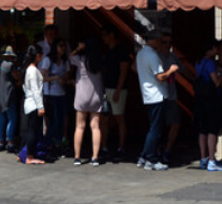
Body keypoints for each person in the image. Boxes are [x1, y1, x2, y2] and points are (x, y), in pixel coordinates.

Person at [136, 31, 176, 171]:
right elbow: (160, 77)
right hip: (157, 95)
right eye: (159, 41)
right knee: (155, 129)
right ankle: (151, 158)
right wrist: (171, 70)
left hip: (148, 94)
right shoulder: (152, 56)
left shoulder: (141, 54)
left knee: (153, 127)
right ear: (152, 41)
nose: (160, 44)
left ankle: (144, 156)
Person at [100, 25, 132, 161]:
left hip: (118, 89)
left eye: (105, 35)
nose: (103, 38)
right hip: (106, 89)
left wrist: (118, 90)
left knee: (119, 117)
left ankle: (121, 147)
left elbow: (124, 71)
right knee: (105, 118)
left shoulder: (121, 50)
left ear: (111, 35)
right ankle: (104, 147)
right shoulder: (107, 50)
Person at [70, 38, 104, 167]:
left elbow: (69, 57)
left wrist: (78, 48)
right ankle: (95, 157)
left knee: (79, 126)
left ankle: (77, 157)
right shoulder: (99, 61)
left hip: (81, 96)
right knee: (95, 126)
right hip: (96, 96)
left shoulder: (80, 60)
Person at [195, 39, 222, 171]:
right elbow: (216, 82)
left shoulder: (198, 61)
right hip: (211, 99)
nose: (218, 51)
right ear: (213, 48)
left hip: (200, 99)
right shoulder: (211, 63)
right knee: (212, 130)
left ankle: (203, 158)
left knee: (202, 130)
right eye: (217, 49)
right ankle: (212, 160)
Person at [20, 43, 47, 165]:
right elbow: (36, 90)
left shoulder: (28, 69)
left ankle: (24, 153)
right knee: (33, 130)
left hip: (30, 102)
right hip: (34, 103)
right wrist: (40, 107)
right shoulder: (32, 70)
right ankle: (29, 156)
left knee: (31, 129)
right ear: (37, 56)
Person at [42, 37, 70, 150]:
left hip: (61, 93)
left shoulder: (65, 61)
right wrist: (55, 77)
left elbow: (68, 73)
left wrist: (65, 79)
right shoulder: (48, 60)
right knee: (54, 120)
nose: (63, 48)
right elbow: (42, 77)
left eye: (64, 46)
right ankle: (49, 142)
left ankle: (58, 142)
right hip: (51, 94)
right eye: (60, 46)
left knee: (62, 118)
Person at [0, 45, 21, 152]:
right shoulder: (10, 65)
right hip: (8, 95)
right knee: (12, 118)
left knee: (1, 119)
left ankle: (0, 142)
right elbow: (17, 77)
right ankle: (10, 142)